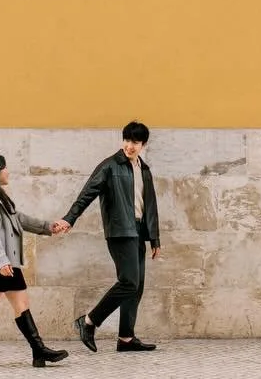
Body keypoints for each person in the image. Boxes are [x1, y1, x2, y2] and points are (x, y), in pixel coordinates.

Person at [53, 121, 161, 353]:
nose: (130, 146)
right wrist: (69, 218)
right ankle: (89, 321)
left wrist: (154, 238)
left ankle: (126, 338)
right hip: (120, 231)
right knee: (129, 282)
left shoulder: (144, 169)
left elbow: (150, 205)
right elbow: (87, 194)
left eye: (135, 142)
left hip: (139, 232)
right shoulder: (110, 166)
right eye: (127, 140)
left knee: (137, 285)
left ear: (143, 145)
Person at [0, 150, 70, 370]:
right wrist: (1, 262)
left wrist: (48, 226)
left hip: (7, 264)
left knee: (21, 304)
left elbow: (20, 219)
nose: (7, 171)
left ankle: (38, 351)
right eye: (4, 168)